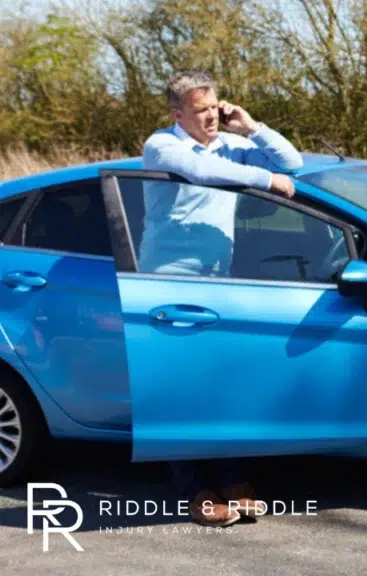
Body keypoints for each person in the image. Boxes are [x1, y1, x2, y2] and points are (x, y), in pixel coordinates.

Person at [140, 70, 304, 527]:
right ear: (178, 115)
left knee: (220, 383)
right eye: (200, 111)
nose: (211, 117)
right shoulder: (163, 146)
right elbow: (201, 171)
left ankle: (232, 478)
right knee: (181, 388)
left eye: (214, 107)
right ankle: (195, 489)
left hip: (217, 282)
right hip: (167, 285)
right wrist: (265, 179)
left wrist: (251, 128)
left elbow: (293, 164)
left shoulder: (230, 146)